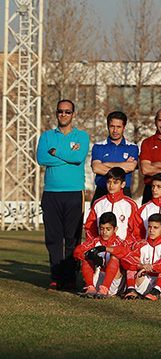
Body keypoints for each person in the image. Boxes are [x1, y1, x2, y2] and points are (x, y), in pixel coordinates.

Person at [36, 99, 90, 291]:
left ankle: (69, 277)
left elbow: (78, 158)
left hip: (74, 193)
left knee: (72, 238)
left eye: (67, 112)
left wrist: (56, 153)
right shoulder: (47, 136)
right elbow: (42, 158)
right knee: (53, 238)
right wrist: (66, 155)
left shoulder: (82, 136)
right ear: (56, 113)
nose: (64, 115)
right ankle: (55, 276)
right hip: (51, 193)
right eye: (60, 111)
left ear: (73, 114)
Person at [120, 213, 161, 300]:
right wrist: (141, 266)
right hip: (144, 279)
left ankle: (156, 291)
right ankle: (131, 290)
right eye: (149, 227)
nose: (151, 230)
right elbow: (127, 260)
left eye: (155, 228)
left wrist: (152, 267)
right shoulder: (139, 244)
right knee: (131, 264)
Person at [73, 212, 129, 299]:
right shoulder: (95, 241)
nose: (104, 232)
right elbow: (77, 251)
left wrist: (105, 248)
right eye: (102, 229)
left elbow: (125, 252)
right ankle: (90, 288)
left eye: (108, 229)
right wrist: (89, 255)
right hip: (98, 279)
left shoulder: (120, 242)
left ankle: (105, 289)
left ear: (115, 229)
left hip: (114, 282)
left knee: (115, 257)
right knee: (87, 257)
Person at [90, 111, 138, 203]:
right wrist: (123, 166)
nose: (115, 130)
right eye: (112, 126)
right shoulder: (99, 146)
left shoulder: (132, 147)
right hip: (102, 191)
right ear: (108, 126)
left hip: (124, 192)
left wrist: (105, 164)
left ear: (124, 127)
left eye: (118, 127)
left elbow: (131, 167)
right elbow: (96, 168)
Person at [83, 167, 139, 242]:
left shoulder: (130, 205)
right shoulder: (98, 203)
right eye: (109, 182)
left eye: (115, 182)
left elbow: (135, 230)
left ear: (123, 184)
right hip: (101, 248)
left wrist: (126, 246)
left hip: (121, 249)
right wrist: (95, 243)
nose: (111, 185)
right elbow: (90, 227)